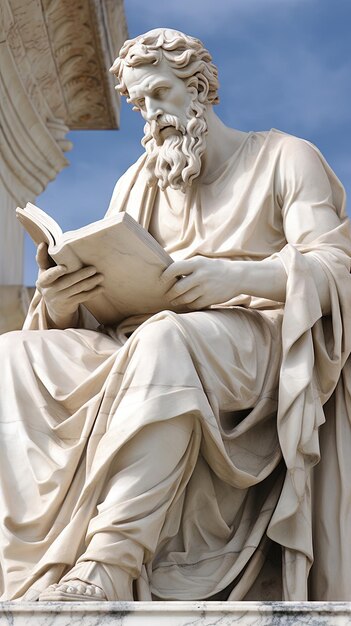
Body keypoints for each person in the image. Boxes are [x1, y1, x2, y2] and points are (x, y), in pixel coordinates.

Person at [0, 27, 351, 603]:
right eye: (140, 104)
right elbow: (109, 289)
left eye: (160, 93)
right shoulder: (138, 182)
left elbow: (335, 267)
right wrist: (65, 301)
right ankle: (28, 580)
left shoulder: (285, 158)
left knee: (167, 340)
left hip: (255, 341)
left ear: (202, 88)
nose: (152, 116)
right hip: (143, 339)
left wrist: (237, 276)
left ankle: (109, 561)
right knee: (14, 353)